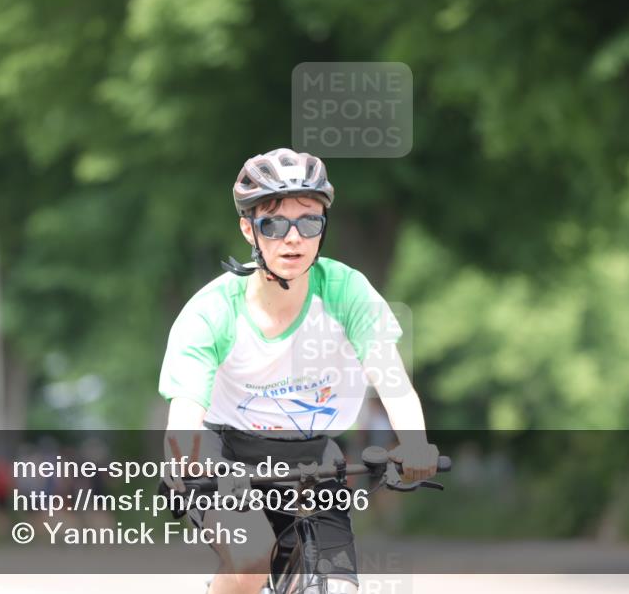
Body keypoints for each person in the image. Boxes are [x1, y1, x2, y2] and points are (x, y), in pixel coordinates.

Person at [158, 148, 439, 594]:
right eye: (274, 224)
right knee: (250, 559)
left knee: (339, 588)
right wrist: (185, 463)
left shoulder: (348, 292)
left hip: (312, 460)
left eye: (309, 222)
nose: (293, 239)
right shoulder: (211, 311)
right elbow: (185, 414)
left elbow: (394, 383)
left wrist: (416, 444)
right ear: (249, 229)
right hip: (224, 453)